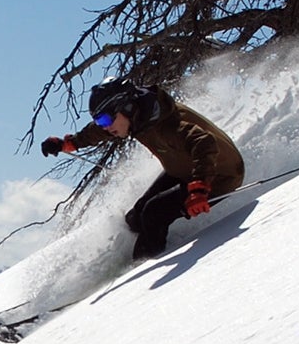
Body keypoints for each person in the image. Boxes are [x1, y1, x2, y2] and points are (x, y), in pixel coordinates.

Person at [41, 78, 245, 260]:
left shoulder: (167, 123)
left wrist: (200, 187)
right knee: (135, 217)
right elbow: (98, 132)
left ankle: (143, 269)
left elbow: (204, 142)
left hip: (219, 175)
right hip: (183, 169)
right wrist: (69, 143)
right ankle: (149, 248)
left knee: (153, 214)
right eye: (98, 120)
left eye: (104, 120)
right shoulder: (138, 118)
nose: (104, 127)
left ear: (126, 107)